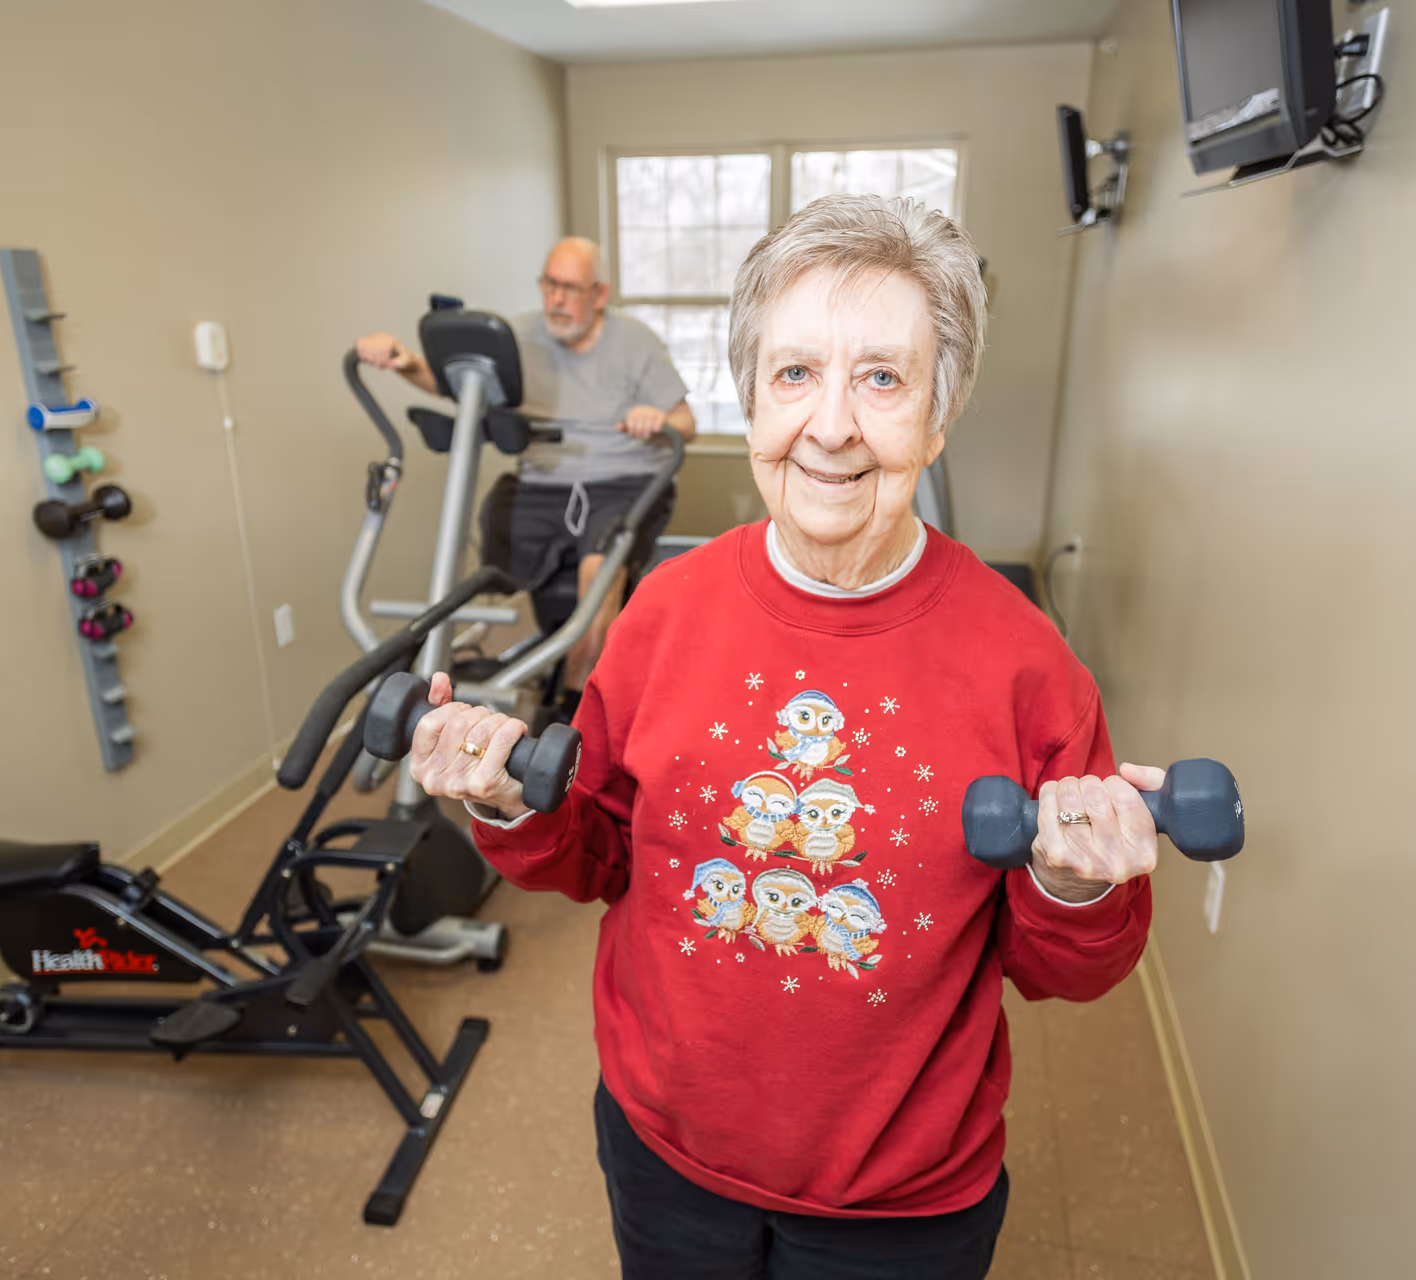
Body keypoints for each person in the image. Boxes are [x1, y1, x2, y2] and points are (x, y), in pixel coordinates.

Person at [403, 196, 1161, 1279]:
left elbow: (1067, 967)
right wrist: (506, 798)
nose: (834, 425)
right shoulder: (661, 612)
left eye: (884, 378)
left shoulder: (1027, 661)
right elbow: (600, 852)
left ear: (939, 416)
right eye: (796, 373)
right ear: (751, 399)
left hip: (903, 1192)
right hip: (665, 1143)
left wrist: (1078, 883)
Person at [356, 238, 697, 706]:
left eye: (570, 288)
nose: (556, 299)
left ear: (599, 294)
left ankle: (575, 708)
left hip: (624, 480)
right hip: (543, 484)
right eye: (549, 284)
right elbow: (452, 382)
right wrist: (405, 361)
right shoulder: (514, 337)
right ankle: (541, 664)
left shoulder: (635, 341)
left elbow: (686, 424)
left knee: (599, 568)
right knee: (499, 551)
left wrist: (657, 421)